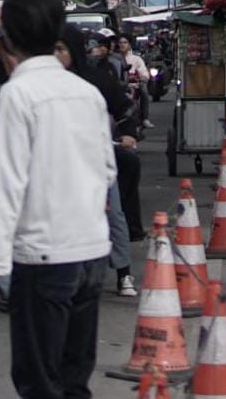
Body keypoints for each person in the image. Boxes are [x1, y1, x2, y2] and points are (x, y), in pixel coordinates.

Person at [0, 0, 116, 399]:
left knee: (40, 383)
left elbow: (7, 185)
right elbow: (107, 170)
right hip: (91, 253)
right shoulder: (86, 93)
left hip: (43, 256)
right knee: (74, 381)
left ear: (8, 39)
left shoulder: (18, 94)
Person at [60, 24, 143, 295]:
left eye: (61, 49)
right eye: (50, 50)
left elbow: (124, 110)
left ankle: (123, 273)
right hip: (59, 163)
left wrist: (128, 134)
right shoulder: (41, 83)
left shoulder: (97, 79)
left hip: (96, 157)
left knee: (114, 213)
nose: (55, 56)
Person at [117, 34, 153, 130]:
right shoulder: (114, 58)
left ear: (129, 45)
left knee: (144, 90)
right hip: (118, 85)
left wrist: (141, 77)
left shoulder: (137, 59)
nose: (122, 45)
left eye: (125, 42)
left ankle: (145, 118)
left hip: (133, 85)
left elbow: (145, 74)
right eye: (120, 43)